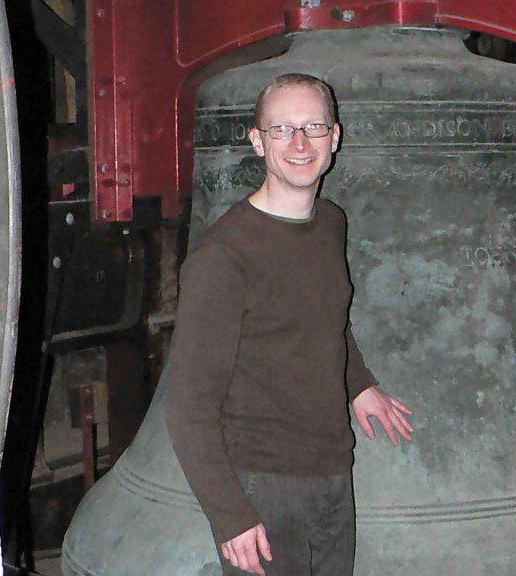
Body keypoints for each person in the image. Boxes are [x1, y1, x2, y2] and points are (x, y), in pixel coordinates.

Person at [166, 73, 413, 576]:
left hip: (330, 470)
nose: (299, 143)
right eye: (281, 130)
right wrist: (229, 514)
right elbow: (187, 405)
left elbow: (327, 316)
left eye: (313, 127)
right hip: (262, 483)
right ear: (257, 141)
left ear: (335, 138)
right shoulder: (224, 259)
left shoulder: (329, 223)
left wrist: (358, 383)